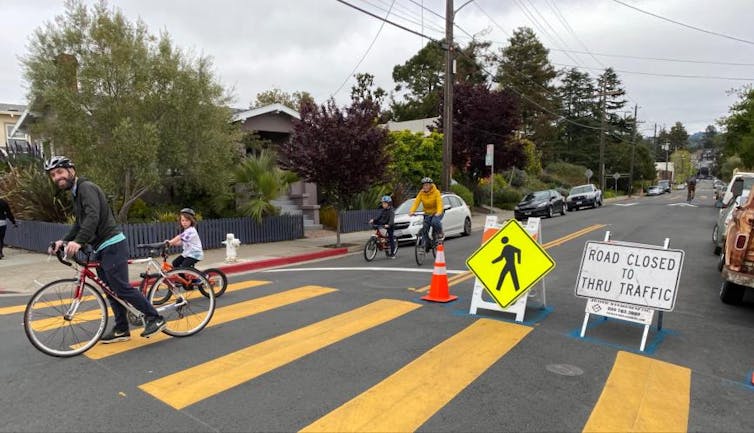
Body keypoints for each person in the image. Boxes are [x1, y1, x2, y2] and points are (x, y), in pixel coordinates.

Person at [45, 155, 165, 343]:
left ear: (71, 170)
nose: (56, 177)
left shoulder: (86, 188)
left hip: (113, 244)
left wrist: (79, 241)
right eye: (53, 175)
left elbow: (93, 217)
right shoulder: (76, 193)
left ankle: (155, 317)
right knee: (110, 290)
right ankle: (121, 329)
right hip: (100, 246)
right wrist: (64, 240)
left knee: (120, 287)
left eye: (59, 172)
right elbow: (79, 223)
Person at [409, 177, 444, 250]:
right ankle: (427, 244)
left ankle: (440, 233)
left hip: (437, 212)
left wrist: (438, 212)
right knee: (425, 228)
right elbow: (416, 203)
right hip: (427, 213)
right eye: (424, 185)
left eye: (427, 185)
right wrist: (412, 211)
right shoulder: (421, 193)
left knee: (435, 222)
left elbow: (439, 203)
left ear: (431, 185)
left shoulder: (436, 192)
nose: (425, 187)